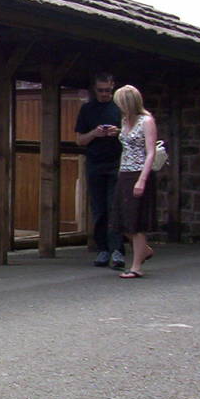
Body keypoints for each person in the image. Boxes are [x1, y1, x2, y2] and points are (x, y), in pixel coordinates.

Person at [74, 73, 125, 268]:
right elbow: (79, 140)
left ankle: (118, 250)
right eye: (101, 90)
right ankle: (103, 248)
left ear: (113, 87)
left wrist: (117, 132)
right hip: (95, 163)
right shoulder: (87, 109)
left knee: (114, 207)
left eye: (108, 90)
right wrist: (95, 133)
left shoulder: (119, 109)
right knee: (99, 209)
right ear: (94, 89)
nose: (104, 94)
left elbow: (133, 135)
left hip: (116, 162)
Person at [110, 85, 157, 278]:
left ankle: (136, 266)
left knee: (135, 221)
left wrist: (142, 180)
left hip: (139, 172)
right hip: (125, 172)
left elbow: (150, 151)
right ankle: (144, 250)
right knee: (120, 219)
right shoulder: (124, 120)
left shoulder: (147, 120)